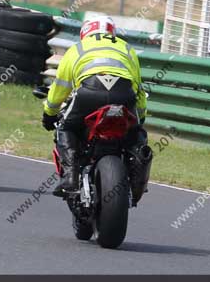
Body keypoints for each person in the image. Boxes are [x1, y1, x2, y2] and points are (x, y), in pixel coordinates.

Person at [42, 16, 151, 199]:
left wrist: (49, 113)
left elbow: (60, 87)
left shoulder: (77, 48)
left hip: (89, 92)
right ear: (112, 32)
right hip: (123, 93)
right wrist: (140, 118)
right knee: (136, 134)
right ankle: (137, 180)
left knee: (66, 128)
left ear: (85, 32)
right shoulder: (126, 48)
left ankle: (70, 178)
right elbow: (138, 90)